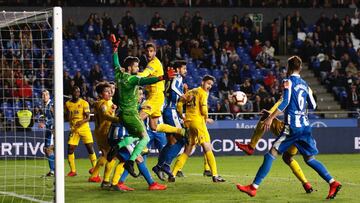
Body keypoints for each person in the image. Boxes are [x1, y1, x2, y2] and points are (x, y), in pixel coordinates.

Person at [236, 56, 341, 199]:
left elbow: (284, 102)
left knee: (271, 153)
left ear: (288, 67)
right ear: (301, 68)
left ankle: (253, 187)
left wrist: (271, 118)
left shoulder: (288, 82)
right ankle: (332, 182)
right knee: (310, 159)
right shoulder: (305, 85)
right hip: (305, 126)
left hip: (292, 127)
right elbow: (314, 106)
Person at [108, 34, 171, 177]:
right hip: (131, 113)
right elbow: (146, 81)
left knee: (139, 134)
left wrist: (115, 49)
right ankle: (130, 161)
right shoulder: (132, 79)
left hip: (122, 114)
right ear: (130, 68)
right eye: (136, 66)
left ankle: (118, 146)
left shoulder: (119, 75)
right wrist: (163, 77)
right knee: (145, 138)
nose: (138, 67)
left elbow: (115, 63)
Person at [235, 98, 313, 193]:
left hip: (287, 129)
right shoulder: (303, 98)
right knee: (288, 158)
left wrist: (270, 113)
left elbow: (281, 102)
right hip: (301, 132)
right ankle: (306, 183)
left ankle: (251, 146)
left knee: (265, 118)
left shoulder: (290, 91)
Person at [171, 75, 225, 183]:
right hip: (198, 122)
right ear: (202, 82)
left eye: (211, 85)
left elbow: (180, 102)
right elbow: (204, 109)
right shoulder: (202, 93)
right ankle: (215, 175)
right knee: (207, 146)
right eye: (208, 83)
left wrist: (182, 115)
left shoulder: (191, 91)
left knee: (188, 149)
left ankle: (173, 173)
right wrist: (206, 118)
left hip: (189, 122)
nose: (209, 86)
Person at [88, 82, 120, 185]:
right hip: (105, 132)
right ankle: (105, 180)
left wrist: (113, 109)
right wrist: (118, 119)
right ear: (101, 94)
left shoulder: (103, 102)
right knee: (112, 156)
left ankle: (94, 175)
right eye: (106, 91)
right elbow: (105, 115)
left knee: (105, 155)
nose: (110, 92)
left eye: (110, 90)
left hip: (100, 131)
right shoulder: (103, 104)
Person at [65, 86, 97, 176]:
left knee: (89, 147)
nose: (77, 93)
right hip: (74, 129)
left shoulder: (84, 103)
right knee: (70, 148)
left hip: (84, 128)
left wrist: (81, 122)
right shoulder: (67, 104)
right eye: (75, 92)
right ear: (72, 93)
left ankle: (95, 168)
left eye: (78, 92)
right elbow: (67, 116)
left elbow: (88, 118)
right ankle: (73, 171)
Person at [38, 89, 55, 177]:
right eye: (43, 95)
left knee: (49, 149)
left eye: (45, 95)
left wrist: (46, 123)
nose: (44, 96)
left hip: (52, 129)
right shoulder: (44, 105)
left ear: (49, 96)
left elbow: (55, 117)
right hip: (48, 130)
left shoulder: (52, 105)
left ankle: (54, 170)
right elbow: (44, 116)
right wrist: (41, 121)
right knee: (46, 149)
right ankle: (53, 170)